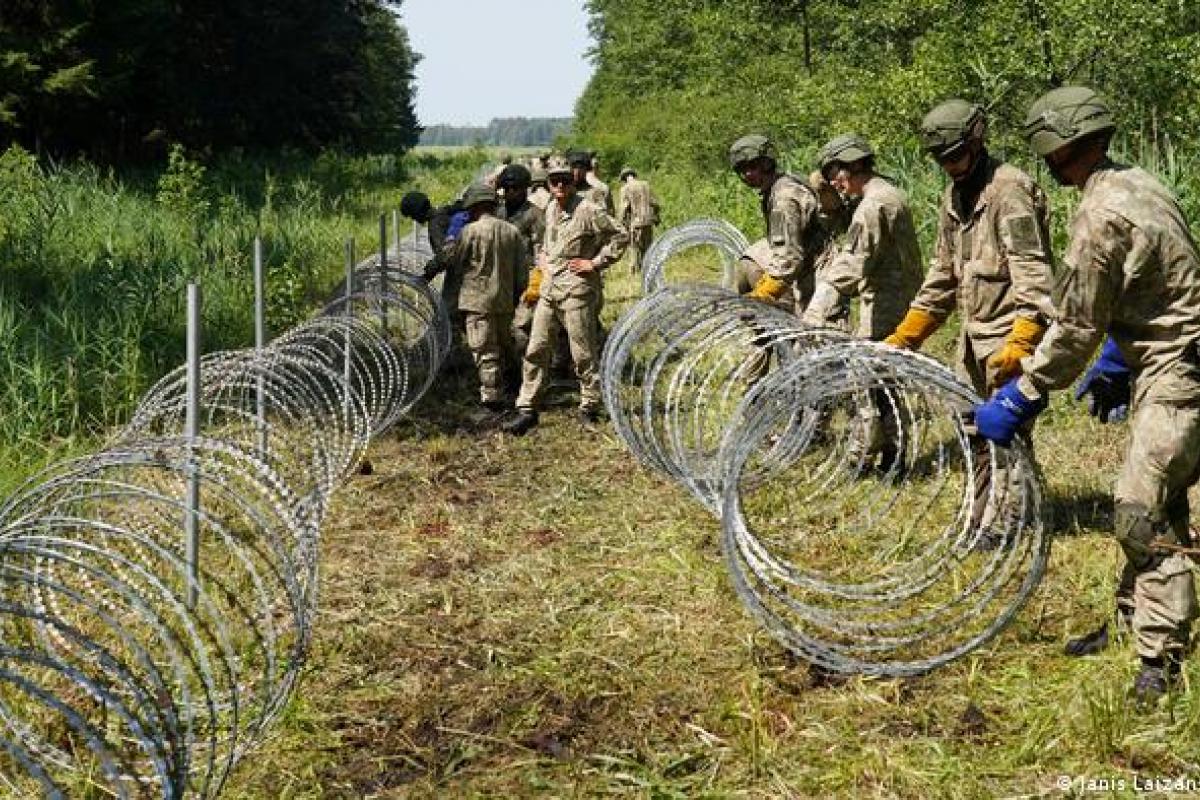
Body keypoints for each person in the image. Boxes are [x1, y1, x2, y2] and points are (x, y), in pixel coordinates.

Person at [973, 86, 1200, 704]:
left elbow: (1075, 324)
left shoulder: (1099, 215)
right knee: (1161, 494)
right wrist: (1117, 357)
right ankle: (1136, 617)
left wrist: (1024, 394)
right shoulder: (1138, 182)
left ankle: (1160, 658)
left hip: (1178, 370)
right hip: (1164, 360)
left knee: (1138, 509)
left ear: (1059, 147)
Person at [885, 99, 1055, 546]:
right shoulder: (954, 196)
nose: (950, 166)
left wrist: (1022, 343)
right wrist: (908, 335)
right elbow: (943, 273)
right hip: (971, 342)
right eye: (942, 159)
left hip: (1009, 339)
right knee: (973, 434)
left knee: (1005, 437)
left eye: (957, 155)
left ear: (978, 141)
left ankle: (1010, 525)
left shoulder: (1009, 191)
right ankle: (983, 510)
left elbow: (1034, 280)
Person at [802, 134, 924, 476]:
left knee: (869, 382)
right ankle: (892, 455)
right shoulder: (889, 194)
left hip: (886, 304)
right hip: (898, 299)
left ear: (852, 166)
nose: (835, 184)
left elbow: (852, 263)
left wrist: (816, 309)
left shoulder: (872, 205)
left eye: (835, 174)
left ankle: (865, 453)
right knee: (883, 382)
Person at [503, 157, 629, 434]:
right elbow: (548, 242)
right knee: (536, 348)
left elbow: (621, 235)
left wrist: (595, 263)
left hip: (577, 290)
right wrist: (543, 258)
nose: (559, 185)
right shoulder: (549, 208)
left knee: (582, 353)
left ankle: (590, 406)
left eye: (565, 180)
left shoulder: (588, 210)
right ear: (548, 184)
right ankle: (527, 408)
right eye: (554, 180)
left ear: (573, 182)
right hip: (550, 289)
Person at [442, 183, 525, 410]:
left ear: (473, 206)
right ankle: (515, 384)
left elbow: (455, 263)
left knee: (484, 350)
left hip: (476, 300)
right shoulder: (513, 231)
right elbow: (521, 273)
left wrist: (449, 244)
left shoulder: (469, 232)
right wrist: (515, 295)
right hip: (505, 299)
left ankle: (492, 398)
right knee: (504, 343)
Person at [727, 133, 828, 313]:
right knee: (750, 262)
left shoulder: (783, 199)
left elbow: (789, 258)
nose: (747, 174)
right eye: (741, 169)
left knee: (816, 336)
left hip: (819, 270)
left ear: (766, 163)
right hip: (807, 262)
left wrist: (765, 294)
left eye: (752, 166)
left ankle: (781, 321)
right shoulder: (779, 186)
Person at [497, 164, 545, 365]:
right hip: (499, 281)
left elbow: (541, 250)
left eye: (514, 188)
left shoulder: (534, 215)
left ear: (525, 188)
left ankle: (527, 371)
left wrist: (536, 281)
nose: (510, 192)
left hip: (526, 282)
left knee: (520, 329)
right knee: (500, 332)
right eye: (506, 189)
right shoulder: (498, 212)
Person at [617, 167, 661, 274]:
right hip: (648, 222)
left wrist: (620, 225)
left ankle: (633, 275)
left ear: (624, 178)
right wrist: (656, 217)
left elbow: (623, 209)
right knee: (648, 250)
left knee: (634, 250)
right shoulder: (645, 185)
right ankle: (648, 274)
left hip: (636, 223)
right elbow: (655, 204)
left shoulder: (625, 189)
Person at [569, 149, 615, 215]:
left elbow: (606, 217)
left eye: (580, 168)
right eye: (573, 167)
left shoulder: (595, 193)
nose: (576, 172)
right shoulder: (565, 193)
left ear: (586, 169)